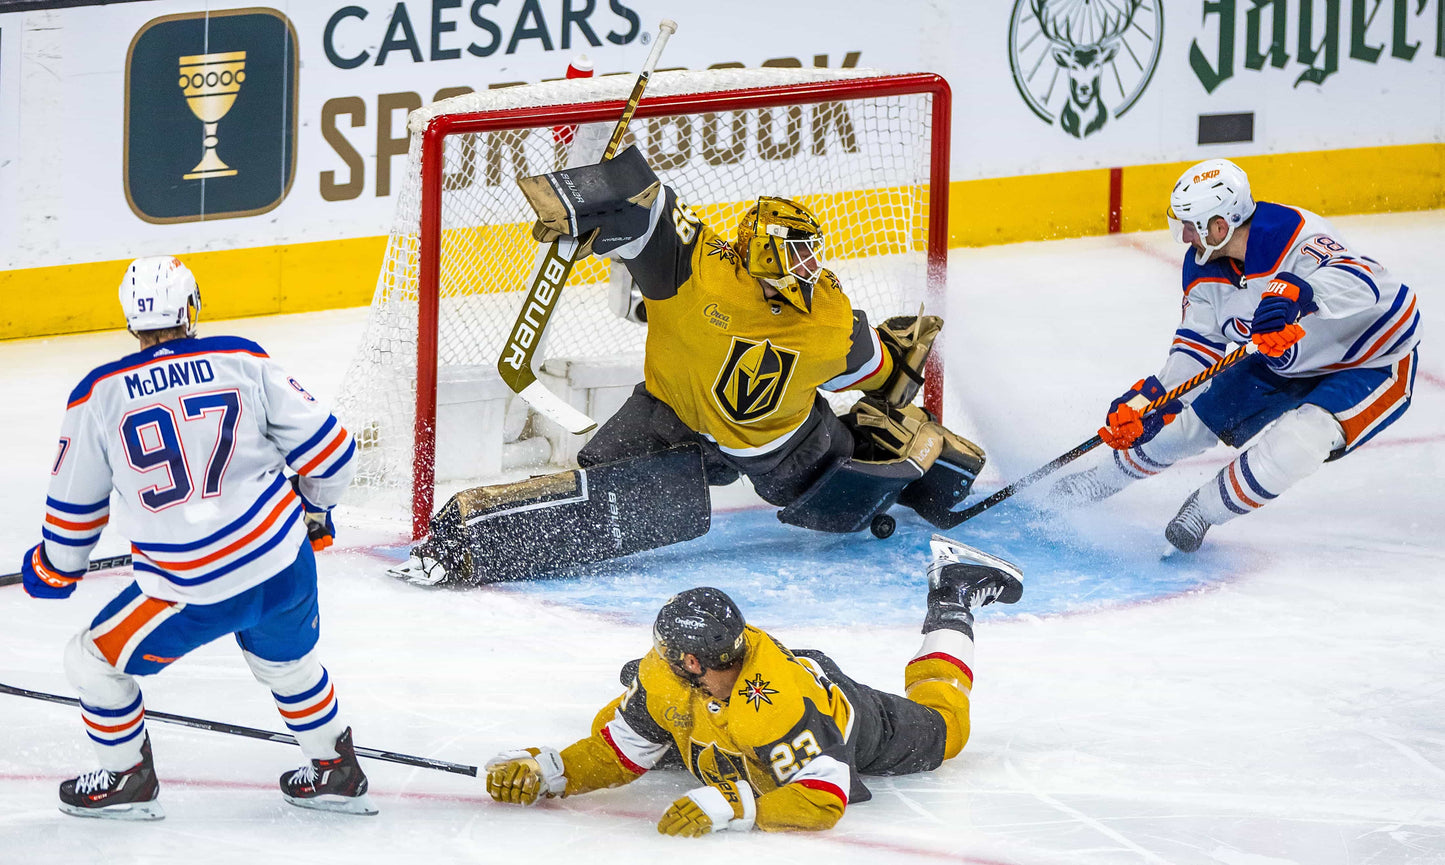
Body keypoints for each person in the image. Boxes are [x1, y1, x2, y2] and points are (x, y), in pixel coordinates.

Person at [392, 147, 985, 586]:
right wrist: (584, 198)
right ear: (763, 250)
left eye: (812, 252)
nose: (809, 265)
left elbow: (874, 373)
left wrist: (894, 374)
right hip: (673, 414)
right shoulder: (702, 271)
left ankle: (913, 461)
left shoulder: (816, 311)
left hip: (779, 448)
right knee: (603, 485)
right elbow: (645, 203)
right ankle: (469, 547)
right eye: (797, 251)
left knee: (837, 492)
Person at [19, 256, 374, 819]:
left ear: (130, 321)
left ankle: (127, 779)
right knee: (288, 666)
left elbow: (74, 511)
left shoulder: (98, 394)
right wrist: (314, 511)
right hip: (283, 562)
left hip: (191, 586)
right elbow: (333, 453)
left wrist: (55, 566)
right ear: (191, 308)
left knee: (91, 662)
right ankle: (335, 769)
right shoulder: (243, 359)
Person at [482, 535, 1023, 834]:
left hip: (847, 721)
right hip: (722, 722)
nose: (657, 659)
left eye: (666, 654)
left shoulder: (779, 706)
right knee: (624, 721)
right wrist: (549, 772)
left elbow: (824, 798)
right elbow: (615, 754)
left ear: (691, 661)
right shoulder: (669, 674)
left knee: (948, 732)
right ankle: (647, 709)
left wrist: (735, 807)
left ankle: (953, 595)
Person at [1052, 158, 1421, 551]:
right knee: (1183, 426)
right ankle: (1097, 481)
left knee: (1300, 442)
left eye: (1191, 226)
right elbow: (1197, 347)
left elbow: (1369, 281)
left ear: (1219, 226)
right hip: (1283, 357)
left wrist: (1301, 293)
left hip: (1371, 359)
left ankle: (1204, 509)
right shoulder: (1202, 268)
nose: (1184, 236)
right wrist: (1151, 400)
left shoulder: (1291, 233)